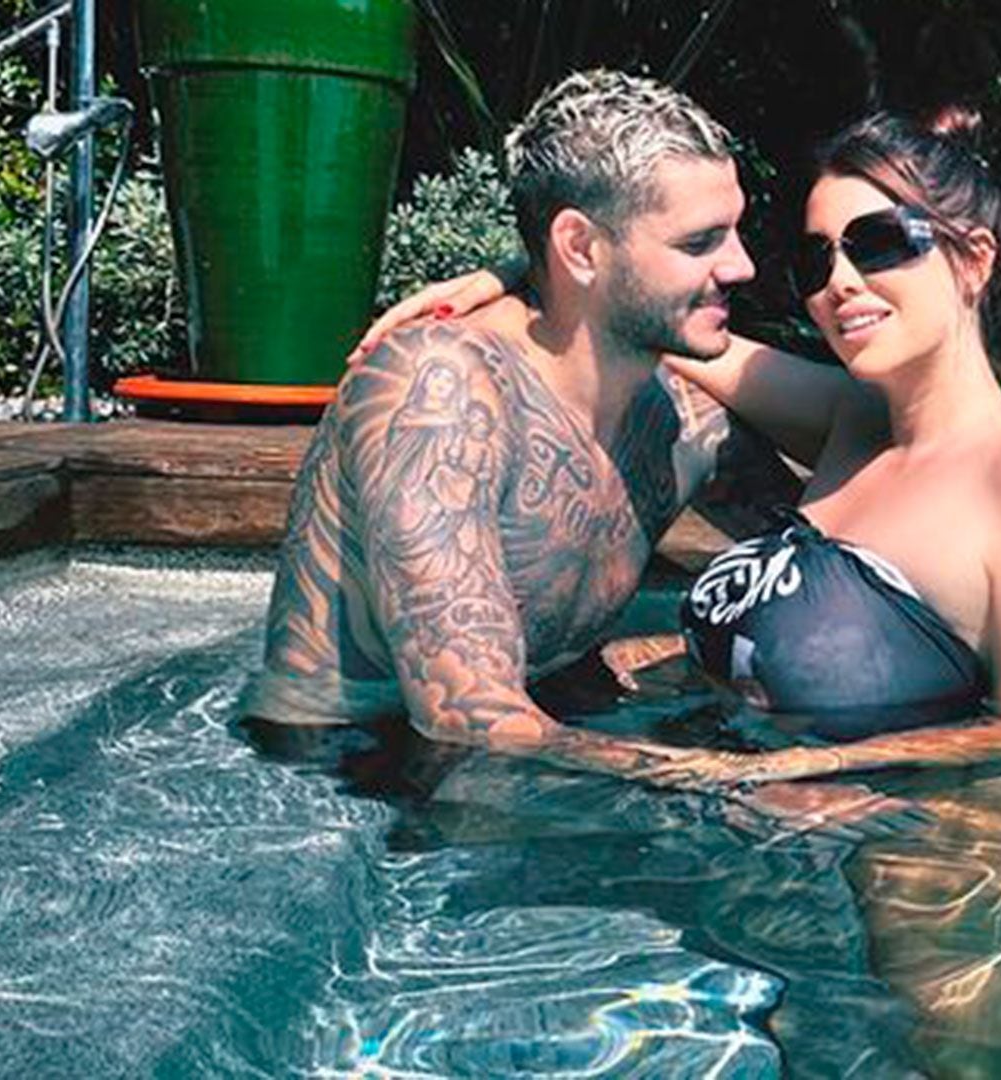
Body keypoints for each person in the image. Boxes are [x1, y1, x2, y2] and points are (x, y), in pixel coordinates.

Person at [355, 110, 1001, 1072]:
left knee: (964, 1051)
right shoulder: (853, 418)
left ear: (972, 260)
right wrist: (514, 275)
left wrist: (795, 774)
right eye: (818, 259)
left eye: (878, 243)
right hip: (779, 841)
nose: (841, 282)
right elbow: (654, 314)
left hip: (915, 863)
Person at [244, 70, 818, 794]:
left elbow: (842, 564)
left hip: (550, 720)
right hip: (344, 771)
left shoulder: (684, 420)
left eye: (733, 232)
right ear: (579, 247)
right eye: (701, 242)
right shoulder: (443, 390)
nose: (742, 266)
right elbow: (466, 718)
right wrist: (752, 779)